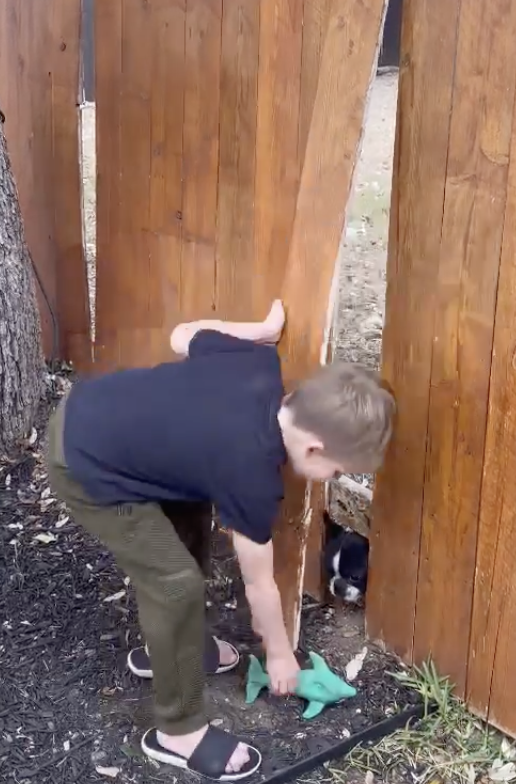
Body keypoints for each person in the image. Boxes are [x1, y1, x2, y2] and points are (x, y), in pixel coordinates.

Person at [45, 300, 395, 781]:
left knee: (188, 518)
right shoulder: (250, 474)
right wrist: (279, 654)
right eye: (335, 471)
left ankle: (172, 649)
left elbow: (183, 333)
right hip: (84, 465)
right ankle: (178, 732)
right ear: (314, 447)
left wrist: (263, 329)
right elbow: (259, 586)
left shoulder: (256, 362)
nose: (330, 478)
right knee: (174, 583)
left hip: (97, 413)